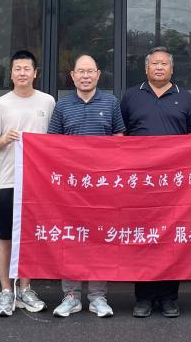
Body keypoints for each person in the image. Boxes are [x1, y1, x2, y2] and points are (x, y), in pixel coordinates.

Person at [119, 46, 191, 318]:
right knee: (142, 237)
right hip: (140, 182)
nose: (159, 67)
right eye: (154, 63)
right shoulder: (131, 96)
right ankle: (143, 297)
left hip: (174, 185)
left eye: (164, 64)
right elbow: (120, 136)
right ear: (146, 68)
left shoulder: (185, 98)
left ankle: (168, 298)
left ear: (172, 69)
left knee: (171, 240)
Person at [47, 54, 125, 318]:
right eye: (80, 71)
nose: (85, 76)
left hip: (102, 186)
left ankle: (97, 296)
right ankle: (70, 296)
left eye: (90, 71)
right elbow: (52, 144)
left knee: (99, 239)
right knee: (71, 239)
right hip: (71, 188)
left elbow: (119, 138)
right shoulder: (62, 105)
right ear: (72, 76)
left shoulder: (111, 102)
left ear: (98, 75)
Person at [0, 49, 56, 317]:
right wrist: (4, 139)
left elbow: (55, 140)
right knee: (5, 237)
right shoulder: (0, 104)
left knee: (30, 237)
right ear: (11, 73)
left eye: (27, 69)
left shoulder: (47, 102)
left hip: (38, 182)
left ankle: (26, 288)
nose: (22, 73)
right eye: (17, 69)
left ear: (35, 73)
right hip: (8, 180)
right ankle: (6, 291)